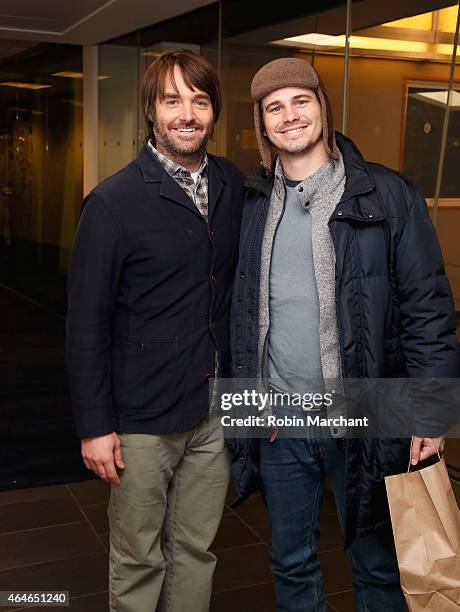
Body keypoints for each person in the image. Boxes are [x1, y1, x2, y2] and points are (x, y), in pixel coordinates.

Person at [229, 57, 459, 612]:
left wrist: (431, 412)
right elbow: (238, 312)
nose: (289, 117)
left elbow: (428, 306)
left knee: (377, 565)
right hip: (280, 418)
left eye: (300, 101)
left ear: (322, 108)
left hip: (368, 416)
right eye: (274, 108)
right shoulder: (252, 203)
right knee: (290, 562)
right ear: (262, 124)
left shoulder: (386, 193)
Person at [66, 49, 244, 612]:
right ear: (152, 110)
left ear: (214, 111)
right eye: (172, 100)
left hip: (213, 410)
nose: (187, 113)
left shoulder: (232, 184)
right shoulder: (113, 202)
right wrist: (96, 426)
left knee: (196, 549)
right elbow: (85, 325)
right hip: (140, 421)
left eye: (199, 100)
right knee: (140, 556)